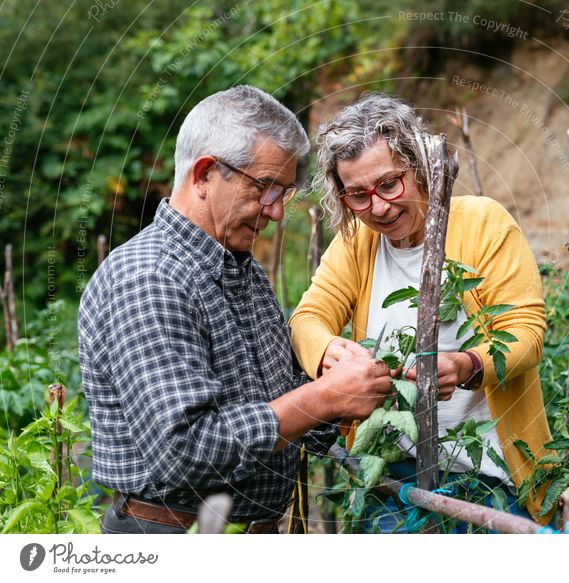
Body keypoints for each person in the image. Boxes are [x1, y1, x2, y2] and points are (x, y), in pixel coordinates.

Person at [78, 85, 393, 534]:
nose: (277, 212)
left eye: (283, 193)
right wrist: (323, 397)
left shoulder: (240, 270)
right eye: (265, 188)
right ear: (205, 175)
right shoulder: (149, 277)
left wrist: (351, 388)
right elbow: (184, 451)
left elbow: (281, 405)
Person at [289, 92, 553, 532]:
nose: (377, 207)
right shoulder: (357, 243)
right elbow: (307, 318)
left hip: (489, 477)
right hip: (393, 474)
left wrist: (468, 365)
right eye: (357, 195)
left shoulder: (483, 224)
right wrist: (330, 352)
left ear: (421, 166)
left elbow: (525, 333)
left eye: (389, 184)